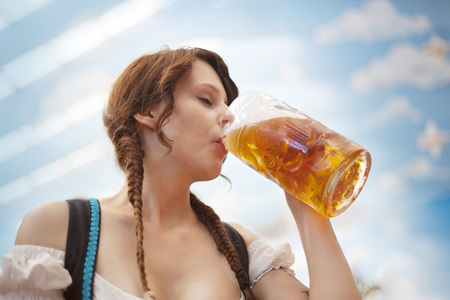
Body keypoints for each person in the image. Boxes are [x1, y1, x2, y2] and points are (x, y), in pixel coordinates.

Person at [0, 47, 361, 300]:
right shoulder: (63, 226)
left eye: (228, 105)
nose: (230, 117)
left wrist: (308, 203)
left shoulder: (239, 249)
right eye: (206, 100)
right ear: (148, 111)